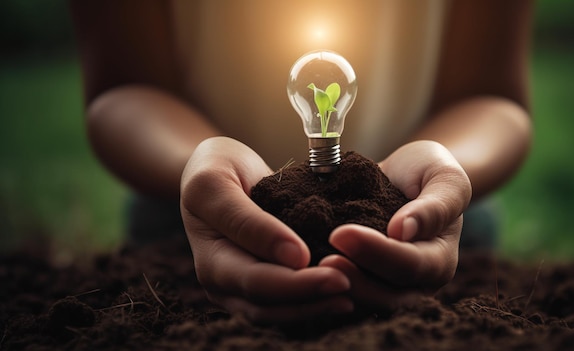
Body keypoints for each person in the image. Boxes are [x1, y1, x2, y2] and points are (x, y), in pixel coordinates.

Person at [70, 0, 533, 322]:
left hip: (431, 225)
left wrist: (442, 169)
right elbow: (120, 88)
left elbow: (492, 97)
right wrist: (198, 163)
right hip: (188, 226)